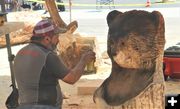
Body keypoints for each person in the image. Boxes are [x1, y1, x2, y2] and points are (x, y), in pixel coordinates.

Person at [14, 19, 95, 109]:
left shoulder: (21, 52)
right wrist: (83, 61)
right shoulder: (47, 56)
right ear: (47, 38)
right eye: (56, 37)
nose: (58, 40)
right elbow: (72, 79)